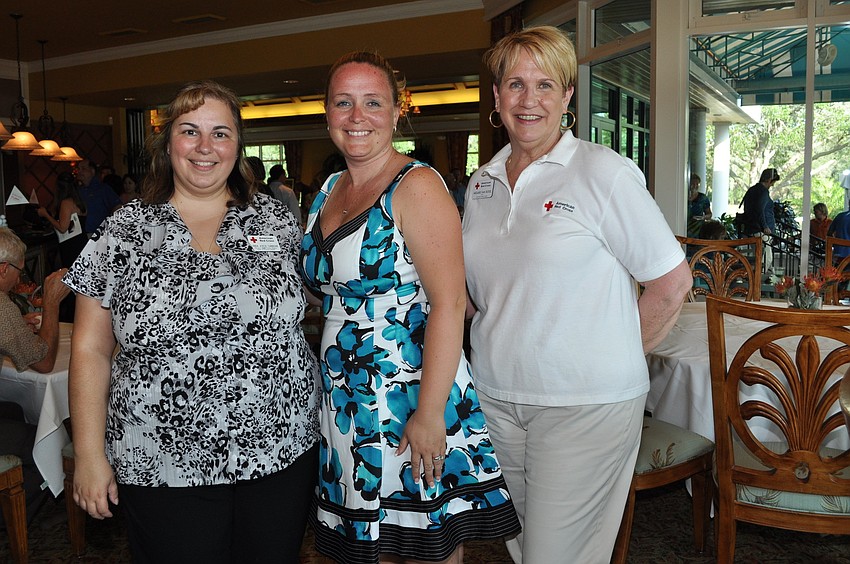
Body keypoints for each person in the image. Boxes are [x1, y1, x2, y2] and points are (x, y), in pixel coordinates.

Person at [63, 80, 320, 563]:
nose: (206, 147)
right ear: (169, 145)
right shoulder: (124, 230)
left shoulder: (276, 222)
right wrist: (90, 454)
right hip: (161, 458)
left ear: (238, 145)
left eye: (220, 133)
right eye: (190, 131)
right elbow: (90, 349)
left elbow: (315, 302)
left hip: (280, 449)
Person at [461, 26, 692, 564]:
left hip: (584, 406)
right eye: (515, 84)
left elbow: (671, 283)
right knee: (523, 547)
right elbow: (483, 294)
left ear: (568, 97)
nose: (529, 100)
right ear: (496, 96)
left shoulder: (601, 171)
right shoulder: (483, 182)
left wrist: (609, 361)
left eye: (546, 85)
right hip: (497, 399)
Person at [300, 51, 520, 564]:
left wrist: (428, 414)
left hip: (410, 390)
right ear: (327, 112)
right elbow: (325, 288)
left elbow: (448, 304)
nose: (358, 117)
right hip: (346, 396)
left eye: (373, 103)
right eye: (344, 103)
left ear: (399, 110)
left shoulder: (416, 185)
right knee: (371, 549)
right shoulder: (330, 188)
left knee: (422, 547)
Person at [0, 227, 70, 373]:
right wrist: (51, 303)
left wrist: (17, 323)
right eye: (19, 271)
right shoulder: (3, 307)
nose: (18, 280)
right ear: (4, 269)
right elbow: (44, 363)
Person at [37, 172, 88, 268]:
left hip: (71, 245)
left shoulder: (66, 203)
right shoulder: (80, 201)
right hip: (81, 242)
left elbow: (62, 228)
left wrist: (46, 215)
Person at [741, 167, 780, 282]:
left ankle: (756, 277)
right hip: (760, 231)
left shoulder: (752, 190)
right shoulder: (763, 191)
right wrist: (765, 226)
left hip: (752, 228)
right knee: (766, 258)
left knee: (760, 257)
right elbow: (759, 209)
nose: (772, 185)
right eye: (772, 182)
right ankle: (757, 279)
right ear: (769, 180)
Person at [76, 158, 121, 234]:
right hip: (81, 234)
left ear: (92, 171)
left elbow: (117, 207)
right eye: (78, 169)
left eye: (83, 169)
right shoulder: (77, 190)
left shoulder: (103, 189)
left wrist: (111, 226)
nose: (79, 172)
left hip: (99, 234)